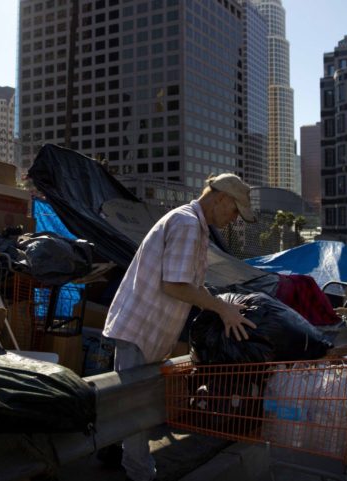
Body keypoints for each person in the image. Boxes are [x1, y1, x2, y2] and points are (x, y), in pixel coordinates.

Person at [102, 173, 257, 481]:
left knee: (131, 406)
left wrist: (220, 305)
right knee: (137, 410)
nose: (234, 219)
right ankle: (141, 474)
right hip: (139, 330)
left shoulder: (195, 226)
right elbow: (175, 285)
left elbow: (188, 284)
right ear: (221, 198)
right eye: (234, 210)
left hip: (147, 331)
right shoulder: (187, 225)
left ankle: (110, 454)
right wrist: (220, 308)